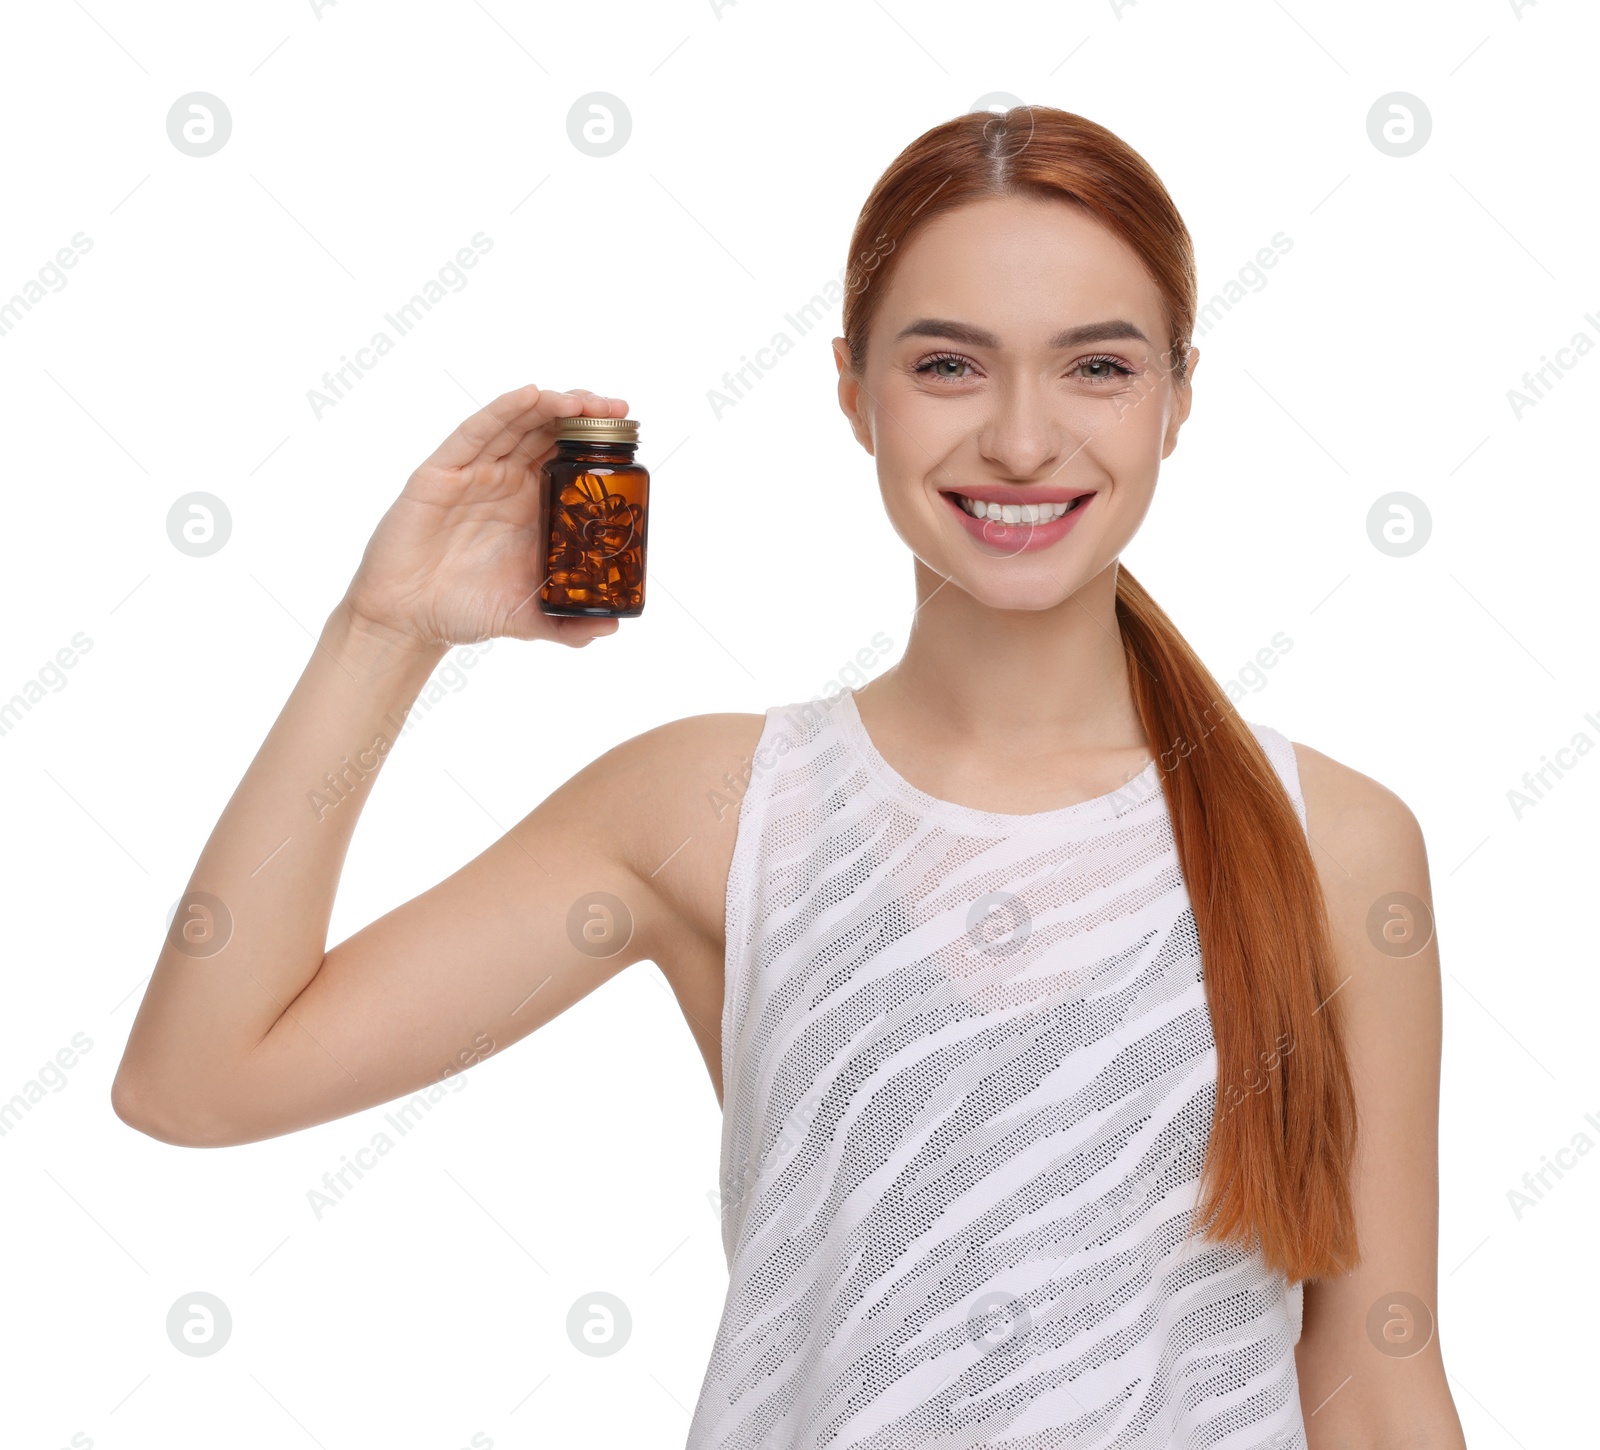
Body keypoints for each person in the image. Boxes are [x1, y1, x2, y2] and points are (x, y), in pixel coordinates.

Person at [113, 106, 1467, 1448]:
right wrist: (384, 631)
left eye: (1095, 369)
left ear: (1177, 396)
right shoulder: (714, 807)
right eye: (948, 364)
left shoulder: (1333, 840)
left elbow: (1381, 1377)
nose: (1020, 438)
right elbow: (201, 1076)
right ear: (851, 391)